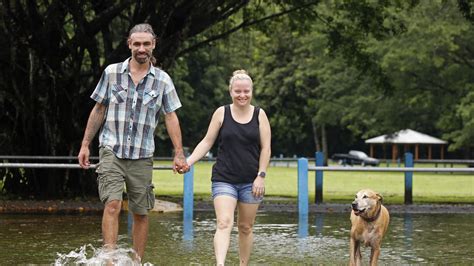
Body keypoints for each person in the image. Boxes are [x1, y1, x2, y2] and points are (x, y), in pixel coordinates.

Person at [77, 23, 187, 261]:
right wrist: (86, 144)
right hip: (111, 149)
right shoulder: (111, 73)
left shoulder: (163, 81)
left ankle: (137, 261)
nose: (141, 48)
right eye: (136, 43)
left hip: (142, 154)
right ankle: (109, 260)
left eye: (146, 44)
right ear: (129, 44)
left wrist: (179, 152)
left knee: (140, 212)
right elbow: (99, 108)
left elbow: (171, 116)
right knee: (113, 204)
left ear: (153, 45)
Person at [185, 70, 271, 266]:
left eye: (246, 91)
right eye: (238, 91)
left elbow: (266, 149)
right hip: (224, 178)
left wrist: (261, 175)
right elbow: (207, 142)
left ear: (252, 91)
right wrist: (189, 162)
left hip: (252, 181)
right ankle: (220, 264)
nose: (242, 95)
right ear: (230, 91)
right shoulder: (221, 113)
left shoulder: (260, 115)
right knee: (224, 223)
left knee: (246, 227)